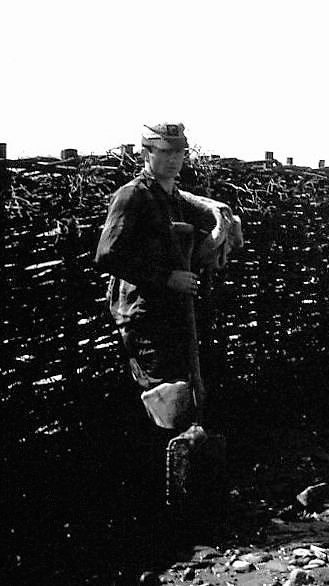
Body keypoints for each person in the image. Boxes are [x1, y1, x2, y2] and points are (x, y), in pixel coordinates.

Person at [95, 122, 240, 428]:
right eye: (164, 152)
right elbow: (107, 255)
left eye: (178, 152)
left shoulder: (174, 199)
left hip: (170, 311)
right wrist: (166, 278)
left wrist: (219, 238)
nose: (173, 159)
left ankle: (183, 463)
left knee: (180, 396)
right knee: (164, 400)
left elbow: (188, 246)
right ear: (147, 154)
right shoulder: (132, 196)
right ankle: (163, 466)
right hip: (142, 315)